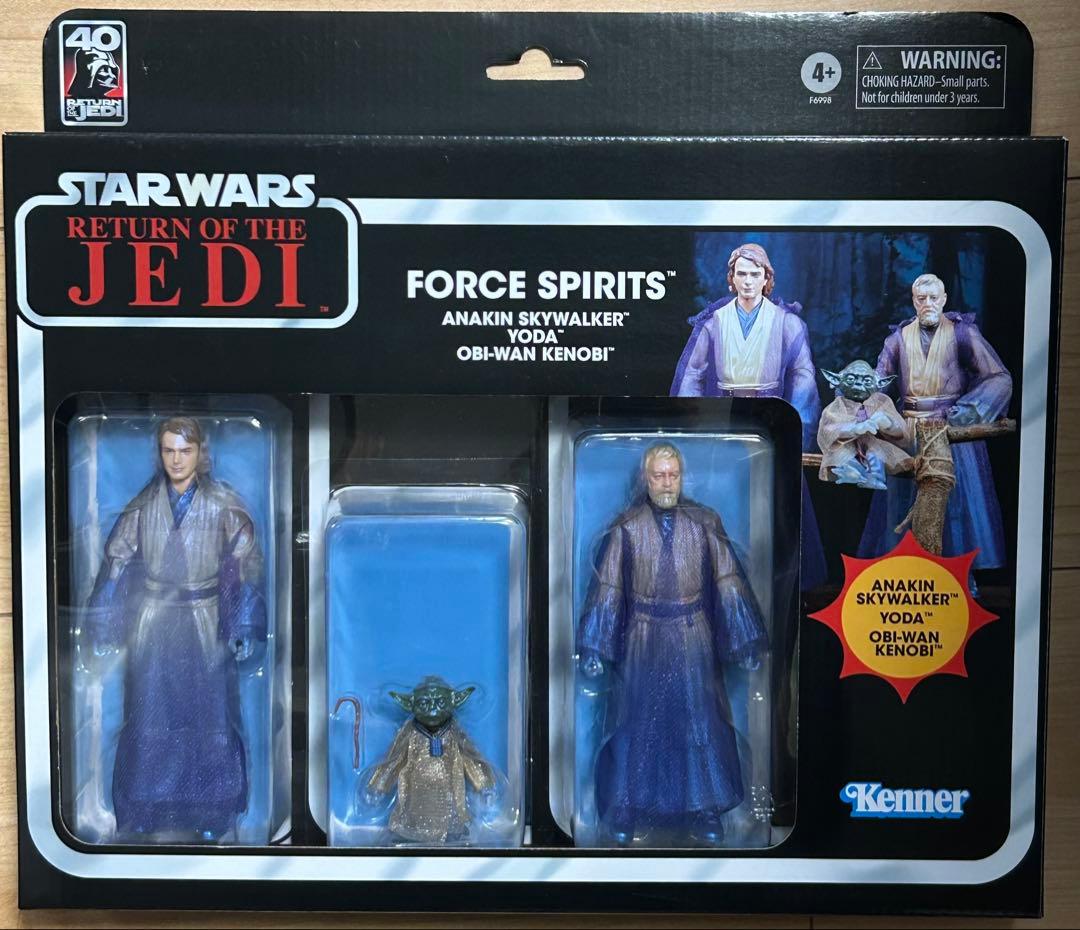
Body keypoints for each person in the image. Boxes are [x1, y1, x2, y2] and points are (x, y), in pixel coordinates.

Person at [86, 416, 266, 841]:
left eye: (185, 451)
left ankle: (212, 812)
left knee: (211, 715)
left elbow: (245, 566)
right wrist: (105, 622)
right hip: (154, 622)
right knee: (149, 711)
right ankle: (145, 810)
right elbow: (116, 564)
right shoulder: (143, 506)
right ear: (160, 454)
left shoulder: (223, 506)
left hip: (205, 622)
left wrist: (242, 624)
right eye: (169, 450)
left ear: (201, 453)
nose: (177, 460)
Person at [577, 443, 767, 844]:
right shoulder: (627, 528)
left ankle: (703, 809)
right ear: (645, 479)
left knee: (699, 720)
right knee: (634, 721)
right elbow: (608, 588)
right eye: (659, 475)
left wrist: (746, 640)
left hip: (691, 635)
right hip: (642, 638)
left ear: (681, 477)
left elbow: (728, 581)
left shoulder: (704, 523)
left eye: (673, 475)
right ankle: (626, 806)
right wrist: (594, 646)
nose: (666, 483)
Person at [671, 243, 826, 587]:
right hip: (724, 420)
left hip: (770, 420)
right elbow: (693, 375)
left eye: (755, 274)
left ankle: (773, 580)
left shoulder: (787, 323)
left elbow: (803, 377)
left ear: (766, 278)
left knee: (771, 500)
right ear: (731, 278)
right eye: (741, 274)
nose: (748, 281)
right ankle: (722, 575)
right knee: (721, 496)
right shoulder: (714, 322)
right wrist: (693, 422)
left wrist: (795, 430)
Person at [858, 273, 1012, 572]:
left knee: (956, 502)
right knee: (902, 504)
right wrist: (860, 403)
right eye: (921, 298)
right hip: (908, 431)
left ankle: (962, 575)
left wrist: (970, 409)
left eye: (933, 298)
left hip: (951, 431)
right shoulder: (898, 339)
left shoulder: (963, 334)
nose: (927, 303)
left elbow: (998, 377)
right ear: (914, 301)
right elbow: (879, 381)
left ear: (943, 299)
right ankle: (904, 572)